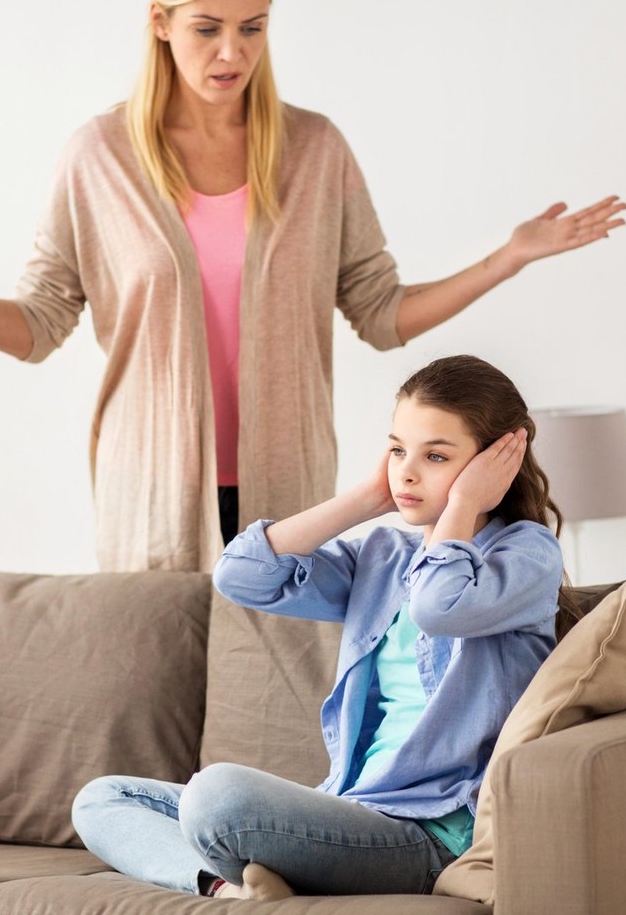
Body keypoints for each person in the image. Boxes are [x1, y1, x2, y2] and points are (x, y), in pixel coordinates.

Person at [0, 0, 626, 572]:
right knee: (151, 700)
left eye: (253, 27)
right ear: (160, 22)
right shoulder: (99, 156)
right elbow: (39, 326)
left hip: (289, 487)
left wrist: (508, 256)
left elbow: (381, 313)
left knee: (278, 712)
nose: (232, 52)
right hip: (154, 495)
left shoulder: (315, 151)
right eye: (207, 28)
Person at [71, 354, 564, 899]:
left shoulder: (526, 555)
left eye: (437, 456)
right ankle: (228, 891)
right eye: (398, 449)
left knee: (217, 796)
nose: (407, 471)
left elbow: (438, 608)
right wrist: (367, 498)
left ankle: (260, 870)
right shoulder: (383, 555)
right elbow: (242, 577)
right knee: (102, 798)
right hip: (349, 807)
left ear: (496, 462)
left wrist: (466, 503)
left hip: (429, 834)